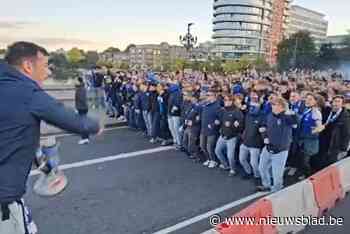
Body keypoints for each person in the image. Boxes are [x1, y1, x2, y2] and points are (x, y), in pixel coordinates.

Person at [0, 42, 101, 234]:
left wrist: (44, 166)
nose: (48, 72)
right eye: (45, 66)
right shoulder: (26, 91)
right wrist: (96, 125)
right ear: (28, 66)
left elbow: (12, 136)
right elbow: (67, 118)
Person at [257, 97, 298, 192]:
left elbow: (295, 124)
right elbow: (263, 127)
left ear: (282, 107)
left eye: (275, 104)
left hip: (280, 151)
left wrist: (290, 112)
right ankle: (266, 185)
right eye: (272, 104)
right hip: (267, 148)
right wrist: (265, 137)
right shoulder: (269, 115)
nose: (272, 106)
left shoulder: (287, 117)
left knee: (277, 174)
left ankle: (277, 190)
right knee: (261, 168)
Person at [215, 94, 244, 176]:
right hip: (223, 135)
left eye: (228, 100)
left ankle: (233, 169)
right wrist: (218, 122)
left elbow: (241, 127)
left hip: (232, 137)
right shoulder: (223, 110)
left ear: (232, 102)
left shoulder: (237, 112)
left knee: (230, 156)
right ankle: (225, 165)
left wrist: (233, 125)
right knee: (217, 151)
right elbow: (221, 120)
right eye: (225, 100)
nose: (226, 102)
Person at [75, 76, 90, 145]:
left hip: (82, 108)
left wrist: (77, 109)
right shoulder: (81, 88)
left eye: (76, 80)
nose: (74, 82)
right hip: (83, 108)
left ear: (79, 81)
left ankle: (84, 138)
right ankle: (86, 138)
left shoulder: (80, 89)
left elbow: (82, 99)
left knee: (83, 124)